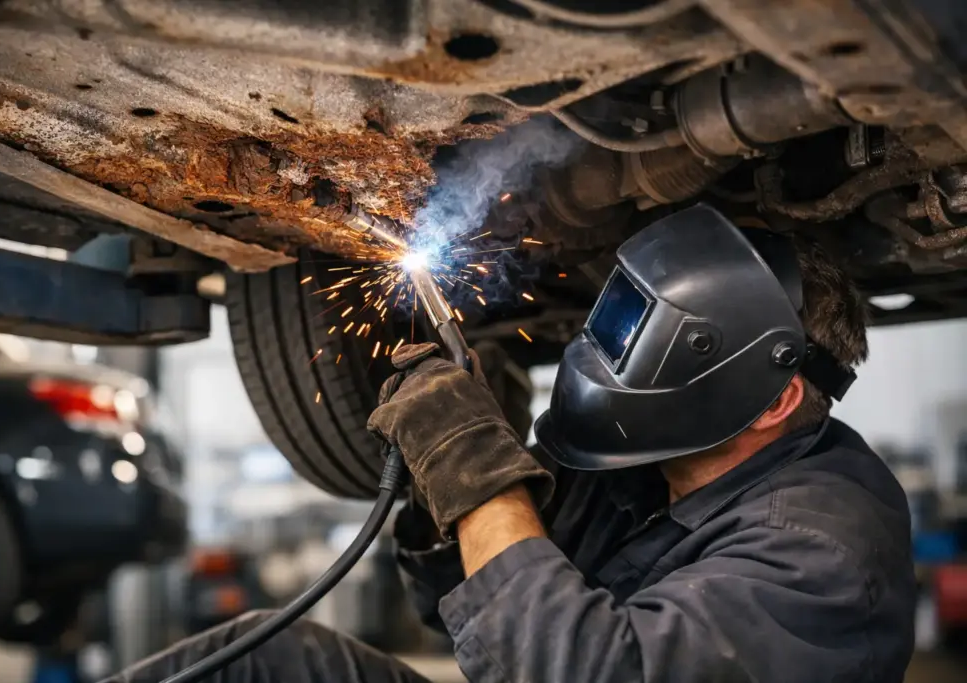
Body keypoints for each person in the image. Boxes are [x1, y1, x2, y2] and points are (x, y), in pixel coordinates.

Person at [106, 205, 915, 683]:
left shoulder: (825, 550)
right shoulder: (643, 466)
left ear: (774, 397)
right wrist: (447, 494)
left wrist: (479, 476)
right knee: (268, 660)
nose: (608, 355)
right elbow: (464, 619)